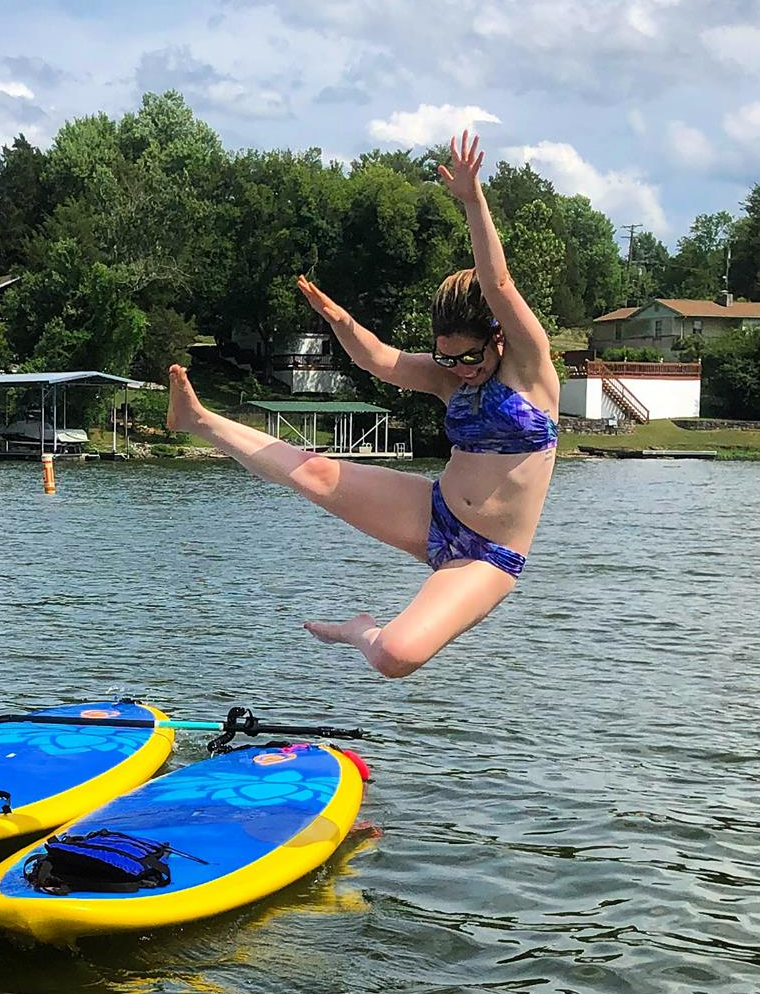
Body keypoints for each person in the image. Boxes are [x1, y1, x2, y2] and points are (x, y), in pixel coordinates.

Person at [165, 130, 558, 678]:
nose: (457, 370)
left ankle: (359, 630)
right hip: (433, 513)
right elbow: (377, 359)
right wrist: (341, 321)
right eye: (445, 359)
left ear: (498, 337)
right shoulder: (451, 380)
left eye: (468, 357)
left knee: (395, 656)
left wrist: (473, 200)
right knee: (316, 475)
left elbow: (497, 281)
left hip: (488, 556)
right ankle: (201, 420)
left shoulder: (531, 371)